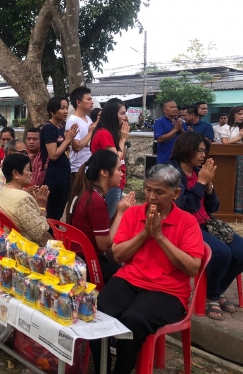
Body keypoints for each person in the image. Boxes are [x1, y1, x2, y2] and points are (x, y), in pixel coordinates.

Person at [91, 163, 204, 374]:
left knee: (133, 320)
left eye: (159, 192)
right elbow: (117, 255)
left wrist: (159, 236)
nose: (151, 196)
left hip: (168, 291)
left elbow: (192, 268)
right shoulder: (133, 214)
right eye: (148, 189)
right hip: (129, 279)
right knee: (98, 311)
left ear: (175, 193)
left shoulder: (187, 222)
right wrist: (145, 233)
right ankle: (101, 369)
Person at [169, 131, 243, 319]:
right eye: (199, 151)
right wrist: (201, 183)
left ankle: (216, 290)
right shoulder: (172, 173)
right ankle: (211, 296)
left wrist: (208, 187)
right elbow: (184, 208)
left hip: (205, 223)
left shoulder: (197, 172)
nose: (203, 155)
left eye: (204, 151)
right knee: (221, 253)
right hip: (185, 225)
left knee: (241, 250)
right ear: (186, 149)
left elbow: (213, 207)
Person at [66, 150, 136, 283]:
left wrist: (118, 212)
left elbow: (103, 228)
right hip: (89, 263)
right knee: (130, 276)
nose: (122, 174)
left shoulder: (86, 192)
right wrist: (121, 213)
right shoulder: (95, 201)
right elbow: (105, 245)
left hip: (78, 257)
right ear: (104, 172)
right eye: (118, 169)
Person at [0, 153, 50, 245]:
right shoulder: (22, 198)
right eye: (28, 169)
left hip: (10, 242)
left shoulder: (3, 191)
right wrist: (42, 207)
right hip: (26, 247)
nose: (31, 173)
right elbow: (40, 233)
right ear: (16, 173)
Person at [40, 97, 78, 220]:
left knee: (60, 211)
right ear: (52, 110)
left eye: (66, 108)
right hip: (55, 175)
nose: (66, 111)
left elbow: (64, 150)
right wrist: (67, 140)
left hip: (64, 173)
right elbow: (53, 155)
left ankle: (54, 231)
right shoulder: (48, 128)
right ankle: (50, 232)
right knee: (53, 213)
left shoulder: (61, 128)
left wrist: (69, 140)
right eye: (62, 108)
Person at [91, 98, 130, 219]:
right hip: (108, 181)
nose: (125, 117)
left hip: (115, 181)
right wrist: (123, 139)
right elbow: (116, 158)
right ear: (113, 114)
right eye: (122, 113)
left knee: (113, 217)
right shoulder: (104, 133)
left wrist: (122, 138)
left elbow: (122, 155)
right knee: (108, 218)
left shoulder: (110, 132)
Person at [217, 106, 243, 213]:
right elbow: (224, 143)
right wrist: (239, 137)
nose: (242, 116)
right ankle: (235, 207)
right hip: (233, 159)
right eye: (239, 114)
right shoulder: (226, 128)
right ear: (233, 115)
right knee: (236, 182)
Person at [67, 87, 97, 180]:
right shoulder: (73, 121)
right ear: (78, 102)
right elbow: (77, 147)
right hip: (77, 168)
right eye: (88, 99)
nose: (92, 102)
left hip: (89, 166)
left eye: (91, 99)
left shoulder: (88, 119)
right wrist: (91, 132)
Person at [0, 140, 28, 209]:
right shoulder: (0, 174)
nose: (26, 156)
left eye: (26, 153)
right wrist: (22, 195)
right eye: (23, 153)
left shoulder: (19, 173)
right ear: (10, 153)